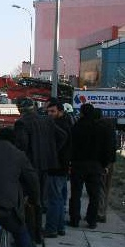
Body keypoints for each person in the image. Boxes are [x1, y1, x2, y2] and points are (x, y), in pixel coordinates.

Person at [14, 98, 67, 243]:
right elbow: (63, 136)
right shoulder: (47, 120)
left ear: (20, 109)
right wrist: (52, 152)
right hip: (46, 166)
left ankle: (29, 235)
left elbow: (22, 146)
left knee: (26, 201)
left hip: (29, 168)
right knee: (39, 201)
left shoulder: (22, 123)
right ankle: (37, 235)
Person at [69, 103, 110, 229]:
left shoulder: (76, 127)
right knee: (94, 194)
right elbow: (105, 149)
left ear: (82, 112)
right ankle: (92, 220)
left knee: (76, 193)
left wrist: (70, 162)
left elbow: (71, 146)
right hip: (95, 165)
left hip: (78, 164)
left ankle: (74, 219)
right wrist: (104, 164)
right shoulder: (101, 128)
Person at [43, 101, 73, 238]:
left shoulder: (59, 125)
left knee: (53, 199)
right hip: (62, 166)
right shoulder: (67, 122)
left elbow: (58, 143)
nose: (50, 114)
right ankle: (60, 227)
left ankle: (51, 228)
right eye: (48, 111)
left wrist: (52, 154)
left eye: (53, 111)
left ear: (60, 111)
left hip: (56, 166)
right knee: (59, 199)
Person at [94, 108, 117, 223]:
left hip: (104, 163)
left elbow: (105, 149)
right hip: (110, 162)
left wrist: (104, 165)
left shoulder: (101, 128)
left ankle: (100, 213)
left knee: (100, 188)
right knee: (105, 189)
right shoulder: (110, 129)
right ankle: (102, 212)